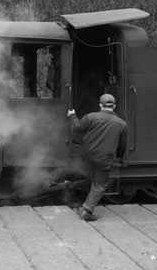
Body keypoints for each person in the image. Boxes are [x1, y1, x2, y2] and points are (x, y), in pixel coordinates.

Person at [67, 93, 127, 221]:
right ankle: (87, 211)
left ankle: (83, 197)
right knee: (101, 184)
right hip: (103, 159)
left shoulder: (91, 117)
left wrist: (72, 115)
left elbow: (77, 127)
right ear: (114, 106)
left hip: (87, 155)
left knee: (95, 177)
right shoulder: (121, 124)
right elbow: (122, 146)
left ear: (100, 105)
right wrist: (119, 158)